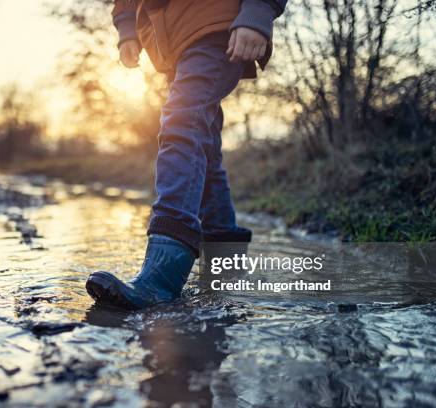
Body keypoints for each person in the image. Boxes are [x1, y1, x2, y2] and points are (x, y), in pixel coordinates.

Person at [86, 0, 288, 309]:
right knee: (202, 143)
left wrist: (258, 12)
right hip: (172, 46)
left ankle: (163, 273)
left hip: (217, 27)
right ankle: (225, 253)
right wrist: (127, 30)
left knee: (181, 123)